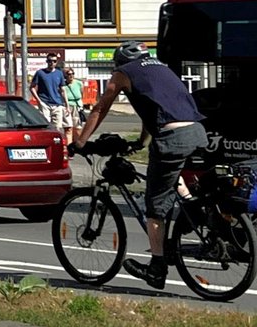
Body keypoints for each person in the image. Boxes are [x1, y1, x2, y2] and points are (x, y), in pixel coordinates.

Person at [74, 41, 207, 291]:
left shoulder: (124, 72)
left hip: (172, 138)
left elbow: (101, 107)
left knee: (154, 207)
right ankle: (192, 208)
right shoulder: (160, 69)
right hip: (197, 132)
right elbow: (152, 112)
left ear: (119, 61)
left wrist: (80, 142)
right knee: (170, 173)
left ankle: (156, 268)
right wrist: (141, 142)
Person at [29, 53, 69, 133]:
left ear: (56, 62)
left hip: (57, 104)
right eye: (50, 61)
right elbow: (32, 87)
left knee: (58, 128)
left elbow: (62, 90)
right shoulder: (40, 73)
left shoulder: (59, 73)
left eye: (54, 61)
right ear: (47, 61)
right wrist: (39, 101)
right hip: (45, 103)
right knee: (45, 127)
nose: (52, 63)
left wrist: (66, 105)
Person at [62, 66, 86, 149]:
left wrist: (81, 104)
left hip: (77, 106)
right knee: (68, 128)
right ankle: (69, 148)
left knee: (78, 128)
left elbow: (81, 94)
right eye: (69, 74)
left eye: (72, 74)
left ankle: (77, 146)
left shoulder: (79, 83)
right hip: (67, 107)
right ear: (65, 75)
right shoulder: (63, 85)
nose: (71, 76)